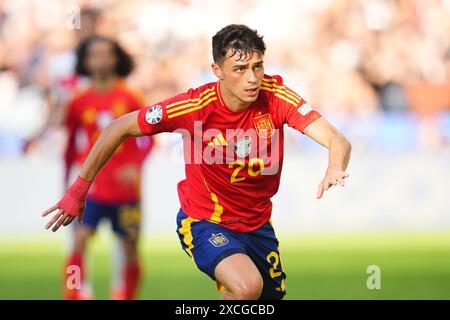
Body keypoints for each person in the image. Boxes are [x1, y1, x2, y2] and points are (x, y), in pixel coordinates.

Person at [42, 25, 351, 300]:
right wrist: (78, 189)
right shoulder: (193, 106)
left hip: (257, 225)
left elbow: (337, 139)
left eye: (258, 67)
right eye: (240, 69)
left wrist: (334, 166)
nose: (253, 78)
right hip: (205, 221)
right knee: (247, 288)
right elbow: (118, 128)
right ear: (217, 70)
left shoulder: (276, 96)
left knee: (260, 300)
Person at [58, 36, 153, 300]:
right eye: (94, 54)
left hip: (125, 191)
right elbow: (69, 145)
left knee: (130, 248)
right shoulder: (77, 101)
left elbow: (149, 138)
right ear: (85, 60)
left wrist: (135, 165)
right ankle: (77, 294)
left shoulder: (131, 96)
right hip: (92, 189)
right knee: (79, 241)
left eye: (106, 54)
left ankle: (124, 295)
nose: (100, 59)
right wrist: (67, 181)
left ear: (116, 58)